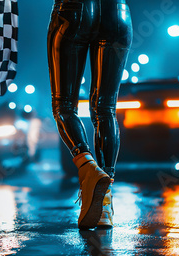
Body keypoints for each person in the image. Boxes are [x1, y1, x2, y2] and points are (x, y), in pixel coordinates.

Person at [47, 0, 132, 229]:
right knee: (106, 109)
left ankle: (88, 167)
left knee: (64, 106)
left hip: (73, 10)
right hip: (118, 14)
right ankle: (104, 203)